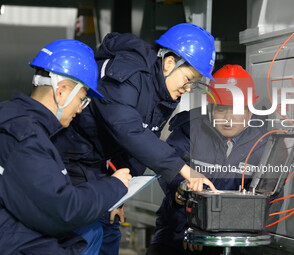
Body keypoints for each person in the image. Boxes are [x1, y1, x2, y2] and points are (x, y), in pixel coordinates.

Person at [53, 23, 217, 254]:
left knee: (110, 230)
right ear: (170, 62)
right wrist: (185, 169)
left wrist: (120, 196)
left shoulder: (165, 91)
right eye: (188, 78)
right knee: (86, 234)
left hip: (97, 167)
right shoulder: (127, 71)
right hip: (69, 161)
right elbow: (128, 131)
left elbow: (141, 145)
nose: (189, 88)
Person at [0, 39, 131, 255]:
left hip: (16, 232)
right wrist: (115, 186)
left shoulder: (18, 121)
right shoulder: (25, 137)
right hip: (16, 244)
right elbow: (63, 210)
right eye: (82, 99)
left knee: (93, 232)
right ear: (61, 91)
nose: (80, 109)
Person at [147, 64, 269, 255]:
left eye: (236, 110)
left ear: (249, 111)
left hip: (235, 237)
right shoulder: (188, 130)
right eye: (221, 110)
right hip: (179, 233)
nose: (228, 119)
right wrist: (190, 227)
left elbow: (266, 196)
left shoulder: (264, 143)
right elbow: (170, 173)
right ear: (211, 108)